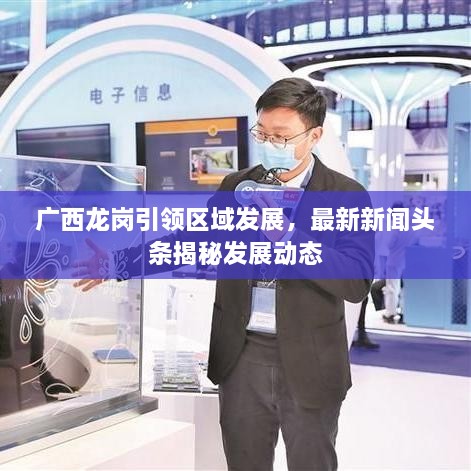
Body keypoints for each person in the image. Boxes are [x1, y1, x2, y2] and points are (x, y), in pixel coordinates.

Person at [74, 78, 373, 470]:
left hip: (310, 361)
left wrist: (289, 237)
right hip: (242, 357)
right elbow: (192, 240)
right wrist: (119, 263)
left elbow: (356, 280)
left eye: (281, 136)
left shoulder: (346, 195)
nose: (269, 143)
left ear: (314, 135)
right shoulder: (237, 187)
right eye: (262, 133)